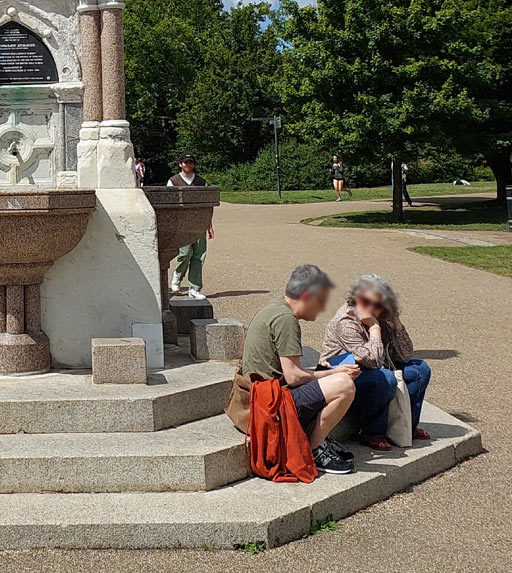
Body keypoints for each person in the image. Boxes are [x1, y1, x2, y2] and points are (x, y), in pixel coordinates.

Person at [241, 264, 358, 475]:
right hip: (272, 404)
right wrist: (334, 374)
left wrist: (322, 370)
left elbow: (286, 370)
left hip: (262, 395)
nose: (322, 308)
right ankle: (314, 449)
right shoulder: (287, 320)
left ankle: (317, 440)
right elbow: (294, 377)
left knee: (333, 376)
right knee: (344, 385)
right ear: (306, 296)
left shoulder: (274, 307)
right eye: (321, 301)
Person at [320, 273, 432, 448]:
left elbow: (405, 354)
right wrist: (374, 327)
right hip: (343, 375)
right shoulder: (346, 321)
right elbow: (373, 360)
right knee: (385, 378)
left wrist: (395, 319)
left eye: (378, 303)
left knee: (420, 370)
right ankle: (372, 432)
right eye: (366, 302)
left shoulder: (383, 315)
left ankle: (406, 426)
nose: (371, 308)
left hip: (373, 369)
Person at [167, 154, 213, 299]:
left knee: (199, 256)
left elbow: (207, 205)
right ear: (180, 164)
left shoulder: (201, 182)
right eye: (185, 162)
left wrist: (209, 224)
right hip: (182, 224)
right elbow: (169, 204)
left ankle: (195, 288)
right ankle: (177, 276)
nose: (188, 164)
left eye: (190, 162)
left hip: (199, 222)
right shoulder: (173, 181)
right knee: (185, 253)